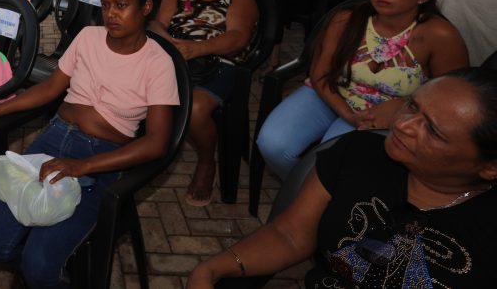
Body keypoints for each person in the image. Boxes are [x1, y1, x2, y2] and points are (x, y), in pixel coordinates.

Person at [189, 68, 497, 288]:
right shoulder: (358, 152)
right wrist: (212, 269)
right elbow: (290, 235)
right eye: (412, 106)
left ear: (490, 167)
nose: (403, 125)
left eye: (432, 130)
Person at [0, 0, 179, 288]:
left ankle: (41, 273)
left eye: (121, 5)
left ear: (146, 7)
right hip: (54, 139)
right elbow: (50, 88)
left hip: (103, 159)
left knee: (40, 265)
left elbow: (156, 143)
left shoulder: (158, 63)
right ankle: (33, 272)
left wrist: (82, 166)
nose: (110, 14)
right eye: (106, 4)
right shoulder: (88, 37)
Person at [257, 0, 468, 180]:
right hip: (330, 93)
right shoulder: (347, 19)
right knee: (273, 145)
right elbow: (320, 75)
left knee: (331, 162)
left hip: (386, 112)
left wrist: (405, 106)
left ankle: (322, 196)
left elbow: (451, 97)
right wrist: (348, 114)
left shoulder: (439, 35)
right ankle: (305, 193)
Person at [151, 0, 256, 207]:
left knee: (195, 109)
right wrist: (172, 43)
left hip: (220, 61)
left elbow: (239, 36)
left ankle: (207, 162)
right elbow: (157, 24)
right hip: (175, 57)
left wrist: (196, 49)